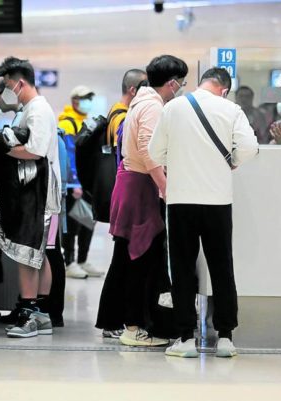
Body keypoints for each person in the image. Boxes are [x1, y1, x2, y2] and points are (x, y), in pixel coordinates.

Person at [149, 67, 259, 358]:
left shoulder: (173, 107)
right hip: (218, 201)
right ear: (224, 89)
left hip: (181, 200)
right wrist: (232, 160)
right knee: (222, 267)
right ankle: (225, 338)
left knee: (182, 269)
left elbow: (154, 151)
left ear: (202, 83)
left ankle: (185, 338)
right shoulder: (231, 109)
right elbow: (249, 147)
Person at [96, 55, 188, 346]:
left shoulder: (141, 101)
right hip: (141, 189)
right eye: (182, 84)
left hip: (132, 185)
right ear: (172, 83)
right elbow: (149, 151)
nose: (181, 89)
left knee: (128, 258)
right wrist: (165, 187)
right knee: (139, 259)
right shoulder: (151, 106)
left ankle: (124, 322)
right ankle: (134, 328)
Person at [0, 57, 61, 338]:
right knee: (37, 251)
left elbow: (34, 151)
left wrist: (2, 148)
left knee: (27, 250)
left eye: (8, 86)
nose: (8, 91)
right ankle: (38, 312)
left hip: (36, 190)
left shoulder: (38, 110)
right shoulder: (30, 108)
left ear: (20, 83)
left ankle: (29, 313)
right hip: (34, 188)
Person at [58, 85, 104, 278]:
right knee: (72, 225)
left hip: (86, 183)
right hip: (73, 185)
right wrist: (74, 183)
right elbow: (69, 155)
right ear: (74, 100)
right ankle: (69, 262)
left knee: (87, 221)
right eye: (84, 98)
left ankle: (83, 260)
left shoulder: (86, 122)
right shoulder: (67, 123)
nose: (87, 102)